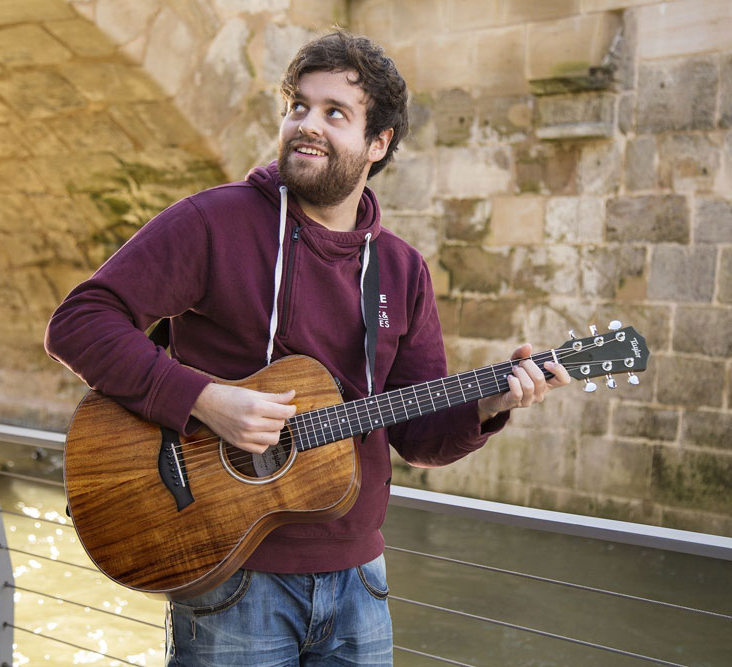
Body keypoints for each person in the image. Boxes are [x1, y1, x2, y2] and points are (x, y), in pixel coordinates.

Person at [45, 30, 570, 666]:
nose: (306, 125)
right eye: (298, 105)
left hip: (360, 585)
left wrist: (487, 408)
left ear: (379, 144)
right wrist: (205, 400)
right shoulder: (216, 222)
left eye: (334, 113)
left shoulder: (402, 271)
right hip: (232, 580)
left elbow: (419, 438)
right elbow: (79, 321)